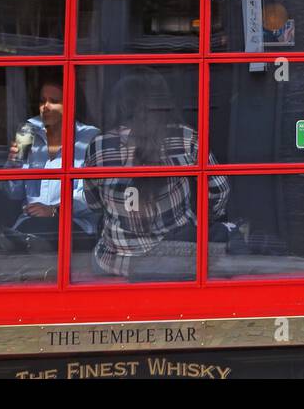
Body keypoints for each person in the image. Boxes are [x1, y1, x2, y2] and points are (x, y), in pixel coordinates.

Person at [83, 68, 230, 279]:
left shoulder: (99, 146)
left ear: (120, 106)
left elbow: (93, 204)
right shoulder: (186, 138)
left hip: (116, 261)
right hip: (177, 255)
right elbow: (220, 190)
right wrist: (202, 220)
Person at [1, 79, 99, 240]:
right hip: (30, 222)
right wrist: (13, 164)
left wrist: (54, 210)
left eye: (54, 101)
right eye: (42, 100)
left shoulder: (89, 138)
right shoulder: (28, 131)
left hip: (76, 225)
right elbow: (13, 194)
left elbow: (94, 197)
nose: (45, 107)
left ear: (71, 104)